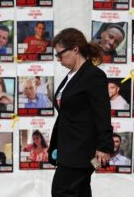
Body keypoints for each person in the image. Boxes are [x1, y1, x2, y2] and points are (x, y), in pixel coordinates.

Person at [49, 28, 113, 197]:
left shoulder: (94, 75)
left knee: (62, 191)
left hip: (82, 150)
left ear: (75, 49)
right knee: (80, 192)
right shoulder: (71, 75)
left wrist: (104, 147)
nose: (58, 59)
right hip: (68, 148)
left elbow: (102, 113)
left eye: (60, 54)